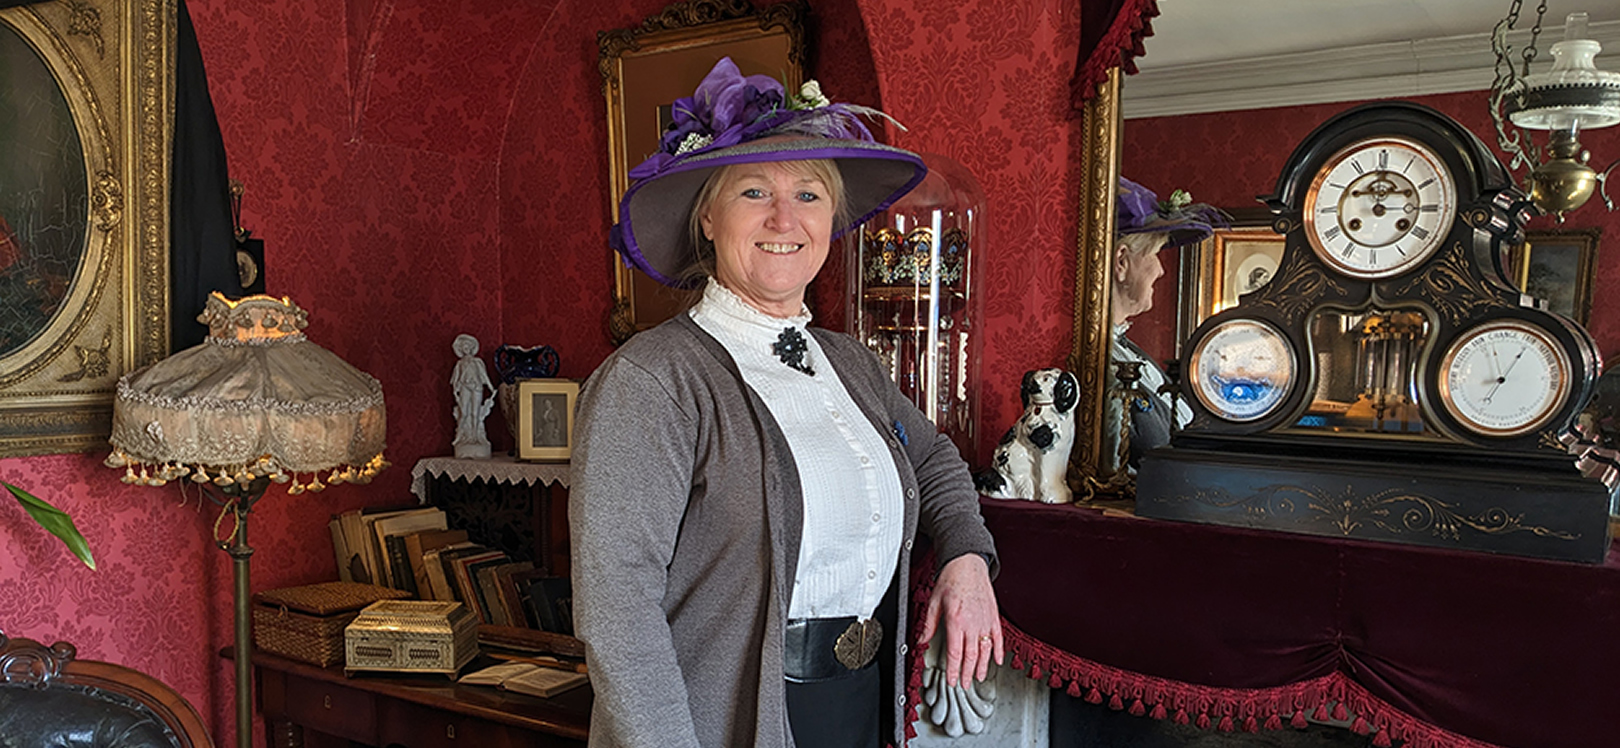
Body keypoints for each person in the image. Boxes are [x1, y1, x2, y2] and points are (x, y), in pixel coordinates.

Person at [570, 58, 1001, 748]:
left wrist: (967, 560)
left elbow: (937, 459)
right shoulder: (653, 380)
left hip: (856, 705)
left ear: (832, 219)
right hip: (724, 722)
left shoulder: (852, 362)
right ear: (706, 218)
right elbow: (617, 611)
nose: (783, 218)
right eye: (751, 192)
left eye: (808, 194)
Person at [1103, 177, 1221, 472]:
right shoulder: (1103, 360)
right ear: (1122, 262)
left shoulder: (1129, 351)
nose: (1161, 269)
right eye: (1155, 254)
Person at [450, 333, 495, 458]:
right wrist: (455, 390)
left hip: (477, 388)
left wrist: (491, 388)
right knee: (463, 412)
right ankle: (461, 436)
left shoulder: (478, 362)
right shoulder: (460, 364)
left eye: (468, 346)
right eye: (464, 346)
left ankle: (476, 437)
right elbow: (455, 379)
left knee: (476, 413)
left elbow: (484, 376)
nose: (467, 348)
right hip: (465, 387)